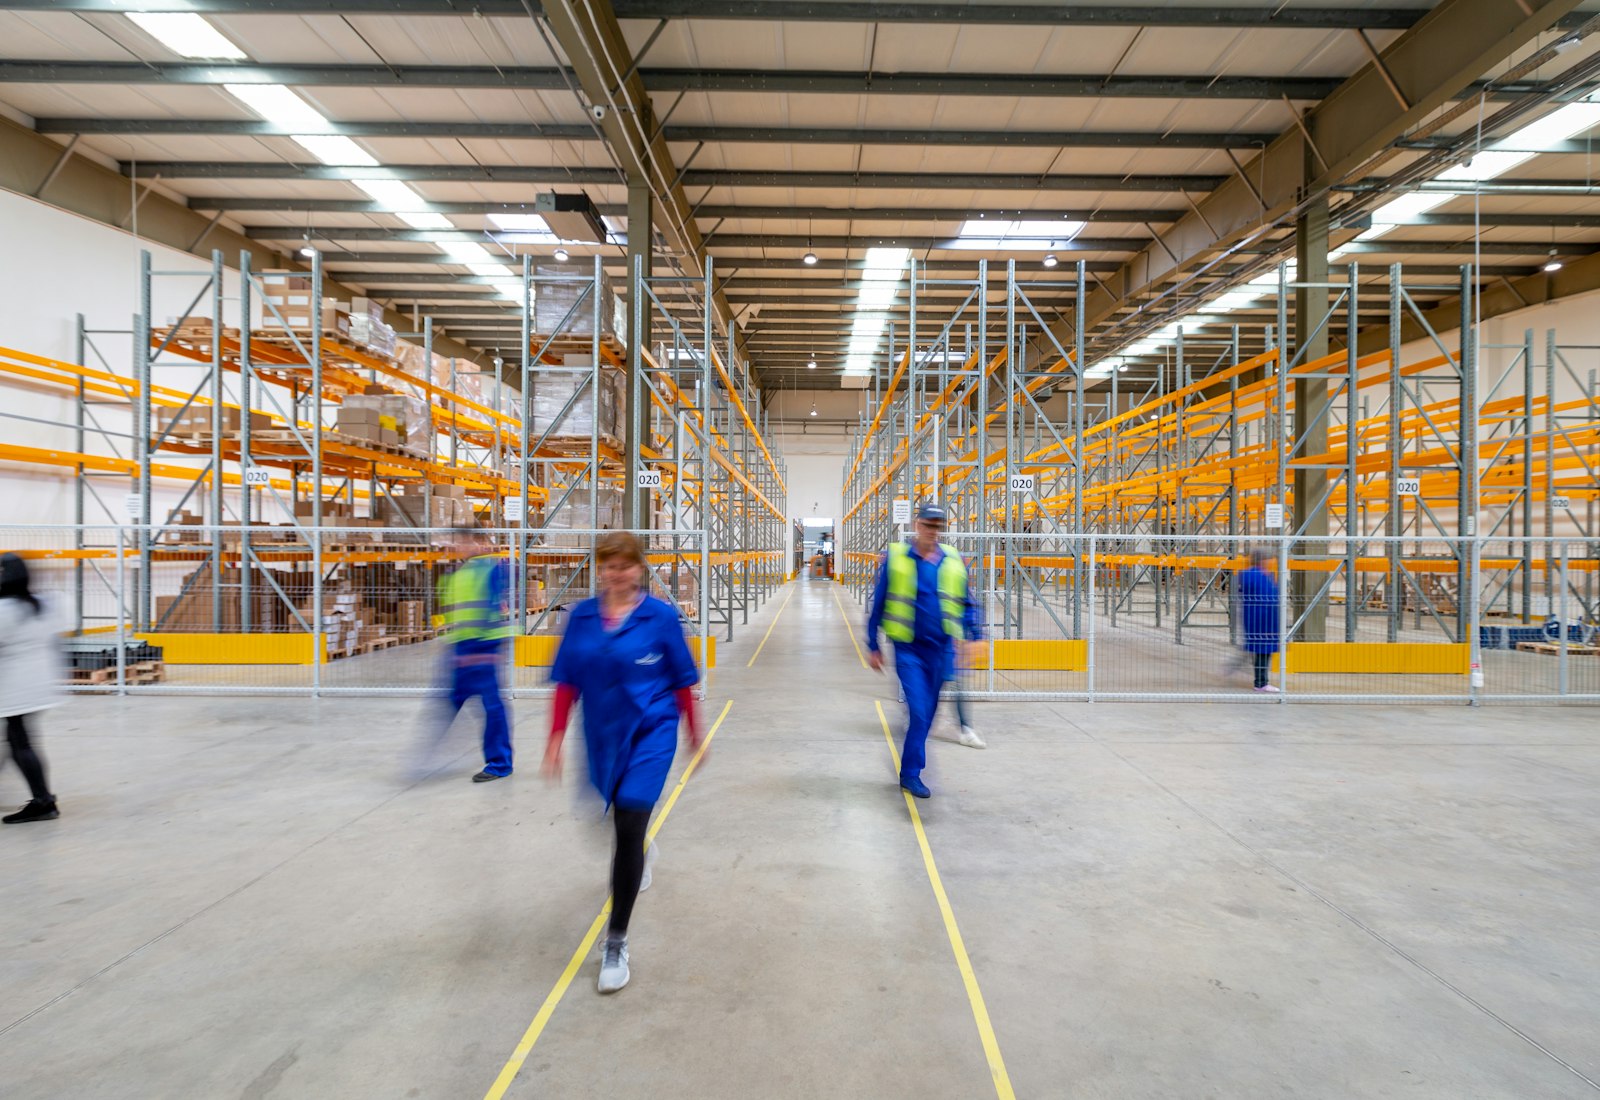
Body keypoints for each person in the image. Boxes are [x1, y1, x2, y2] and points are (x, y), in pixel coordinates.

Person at [544, 531, 701, 994]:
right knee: (608, 820)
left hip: (652, 732)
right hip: (602, 735)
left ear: (640, 569)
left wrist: (694, 730)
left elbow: (681, 679)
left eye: (625, 565)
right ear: (600, 570)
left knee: (630, 821)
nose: (616, 573)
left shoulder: (661, 617)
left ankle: (616, 940)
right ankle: (642, 849)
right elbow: (567, 680)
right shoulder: (582, 618)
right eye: (608, 565)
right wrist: (554, 737)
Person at [865, 503, 983, 799]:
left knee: (928, 714)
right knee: (918, 712)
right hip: (909, 650)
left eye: (938, 526)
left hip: (942, 650)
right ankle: (911, 773)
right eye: (928, 525)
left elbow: (966, 603)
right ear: (917, 525)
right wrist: (872, 643)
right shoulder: (896, 559)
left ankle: (911, 767)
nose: (933, 531)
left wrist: (977, 635)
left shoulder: (953, 560)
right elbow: (878, 603)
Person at [437, 527, 513, 781]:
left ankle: (499, 764)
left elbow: (495, 609)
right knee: (452, 701)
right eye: (458, 542)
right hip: (462, 647)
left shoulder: (491, 569)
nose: (461, 546)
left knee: (492, 706)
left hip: (483, 648)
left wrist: (490, 648)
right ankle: (425, 756)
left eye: (466, 541)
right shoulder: (457, 574)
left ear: (480, 543)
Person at [1, 553, 62, 823]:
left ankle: (43, 801)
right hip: (36, 685)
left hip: (14, 687)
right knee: (17, 740)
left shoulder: (6, 610)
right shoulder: (41, 605)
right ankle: (42, 799)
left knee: (20, 743)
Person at [1236, 548, 1282, 693]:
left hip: (1262, 619)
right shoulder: (1256, 575)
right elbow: (1266, 597)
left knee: (1262, 651)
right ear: (1262, 560)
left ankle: (1262, 681)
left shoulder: (1258, 574)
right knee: (1263, 651)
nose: (1270, 563)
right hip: (1261, 620)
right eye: (1268, 560)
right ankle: (1261, 682)